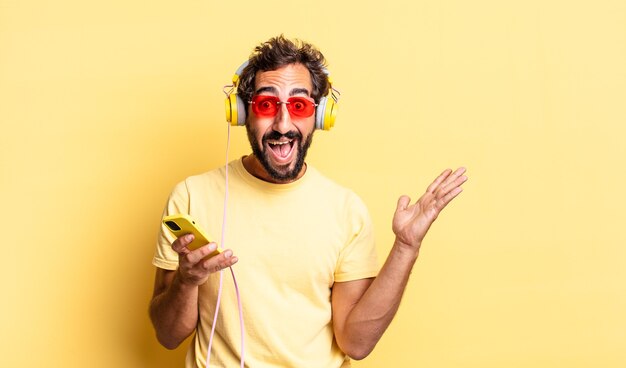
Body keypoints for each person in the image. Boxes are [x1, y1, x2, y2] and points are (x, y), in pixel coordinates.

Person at [149, 35, 467, 368]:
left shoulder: (346, 211)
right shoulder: (190, 196)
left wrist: (405, 246)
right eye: (266, 105)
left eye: (299, 106)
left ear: (320, 116)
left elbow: (355, 344)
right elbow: (168, 336)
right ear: (242, 112)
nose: (283, 125)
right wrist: (187, 281)